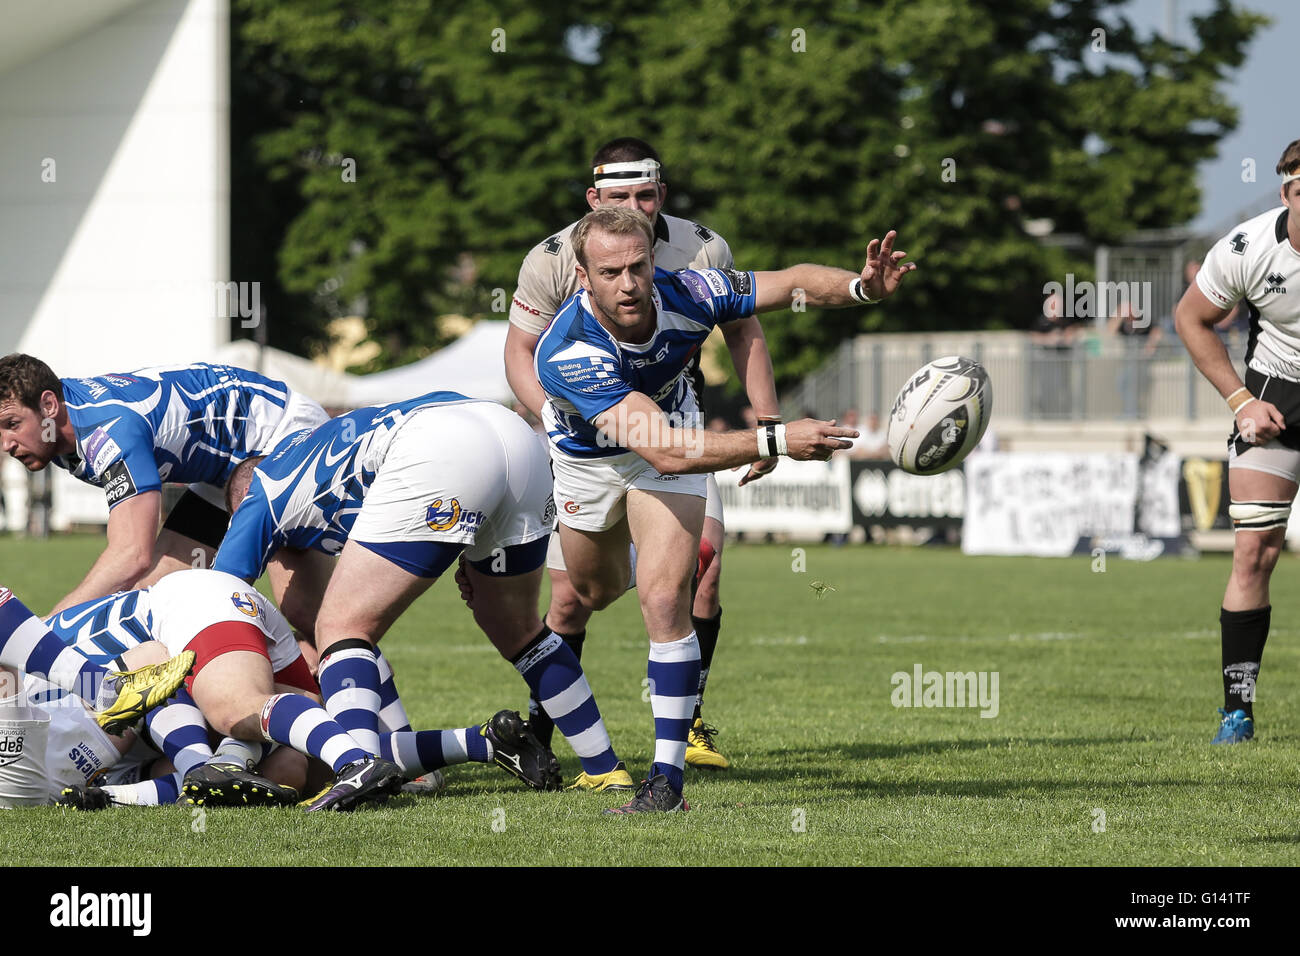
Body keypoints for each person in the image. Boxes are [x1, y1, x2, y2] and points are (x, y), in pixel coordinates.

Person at [534, 205, 915, 812]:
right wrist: (778, 438)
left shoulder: (689, 290)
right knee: (592, 593)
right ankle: (643, 553)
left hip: (672, 439)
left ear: (653, 260)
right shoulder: (566, 351)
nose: (628, 283)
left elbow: (788, 283)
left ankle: (666, 782)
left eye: (637, 266)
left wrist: (859, 287)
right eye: (610, 272)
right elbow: (664, 452)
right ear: (583, 277)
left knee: (664, 599)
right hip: (593, 460)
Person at [504, 138, 778, 773]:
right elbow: (520, 352)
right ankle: (542, 731)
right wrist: (559, 415)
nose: (636, 207)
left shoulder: (704, 248)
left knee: (695, 575)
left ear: (663, 195)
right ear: (594, 199)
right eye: (621, 196)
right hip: (583, 435)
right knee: (575, 596)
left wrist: (767, 418)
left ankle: (687, 726)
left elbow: (745, 327)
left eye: (647, 195)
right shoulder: (553, 259)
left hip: (671, 428)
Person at [212, 391, 627, 795]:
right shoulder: (310, 454)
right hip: (514, 437)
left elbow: (212, 604)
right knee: (519, 629)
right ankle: (605, 768)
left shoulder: (258, 494)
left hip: (441, 447)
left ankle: (359, 772)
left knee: (340, 626)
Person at [0, 357, 332, 622]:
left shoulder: (110, 429)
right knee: (160, 598)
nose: (5, 444)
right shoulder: (56, 426)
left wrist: (49, 628)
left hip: (281, 433)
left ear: (48, 405)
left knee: (302, 610)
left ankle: (358, 692)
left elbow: (131, 554)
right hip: (224, 467)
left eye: (12, 425)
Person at [1174, 138, 1300, 744]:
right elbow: (1190, 319)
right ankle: (1237, 710)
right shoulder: (1248, 247)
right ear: (1286, 192)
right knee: (1254, 552)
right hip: (1278, 398)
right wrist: (1242, 401)